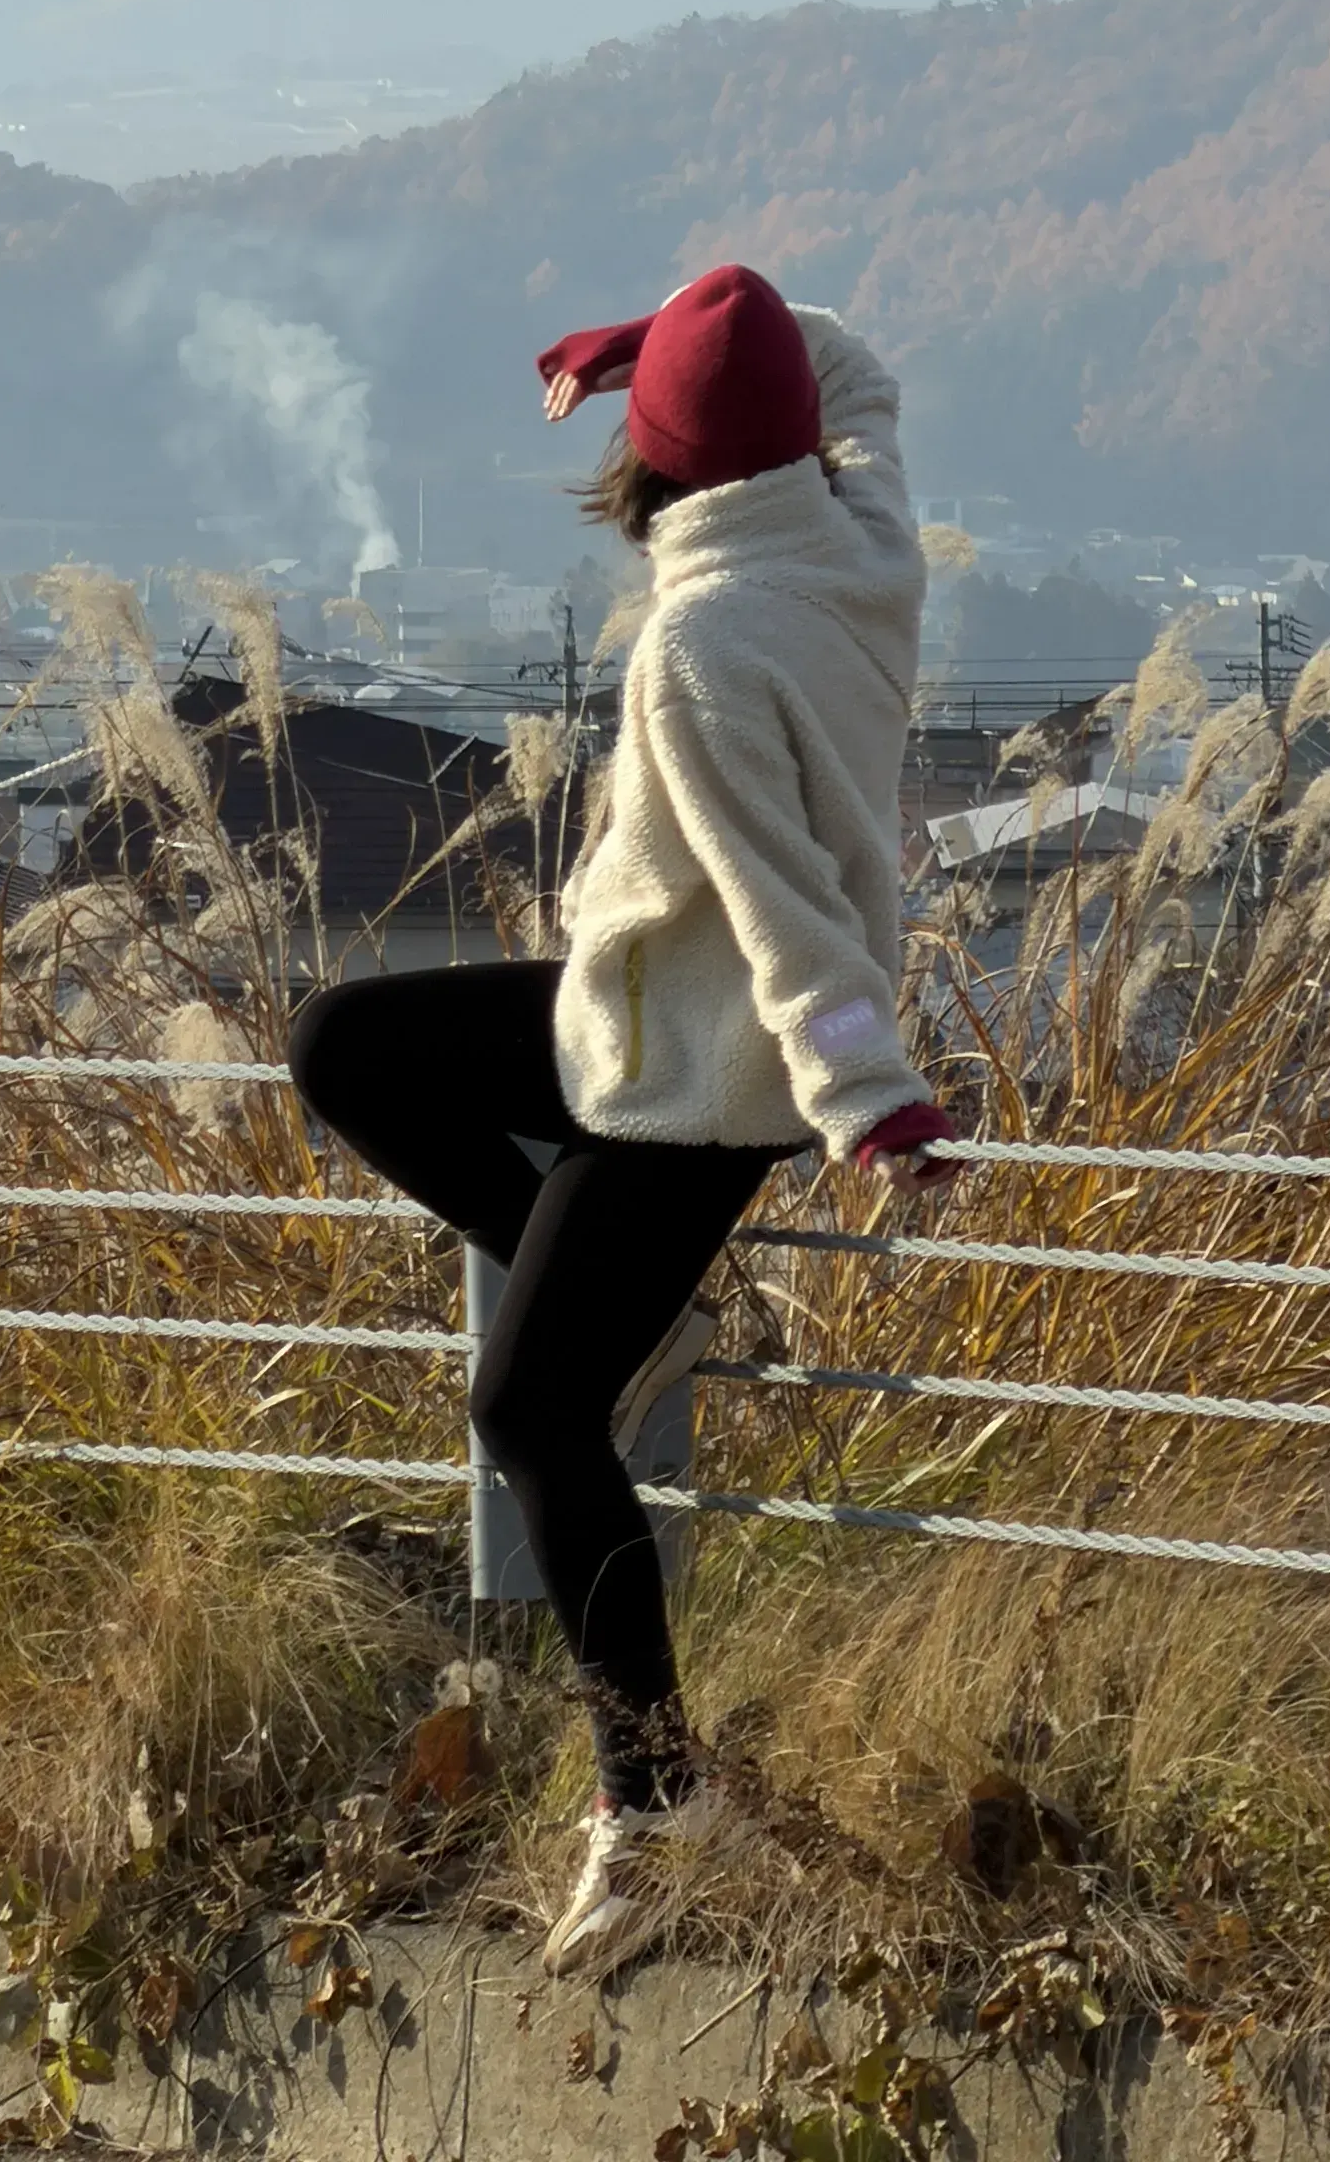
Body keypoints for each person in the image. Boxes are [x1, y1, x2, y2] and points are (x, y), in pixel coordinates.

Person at [285, 266, 953, 1978]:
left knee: (527, 1404)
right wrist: (651, 351)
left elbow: (790, 904)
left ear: (651, 473)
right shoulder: (865, 537)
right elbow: (852, 374)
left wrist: (867, 1096)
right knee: (350, 1041)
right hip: (633, 1015)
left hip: (696, 1085)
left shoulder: (698, 645)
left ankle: (652, 1803)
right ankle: (633, 1317)